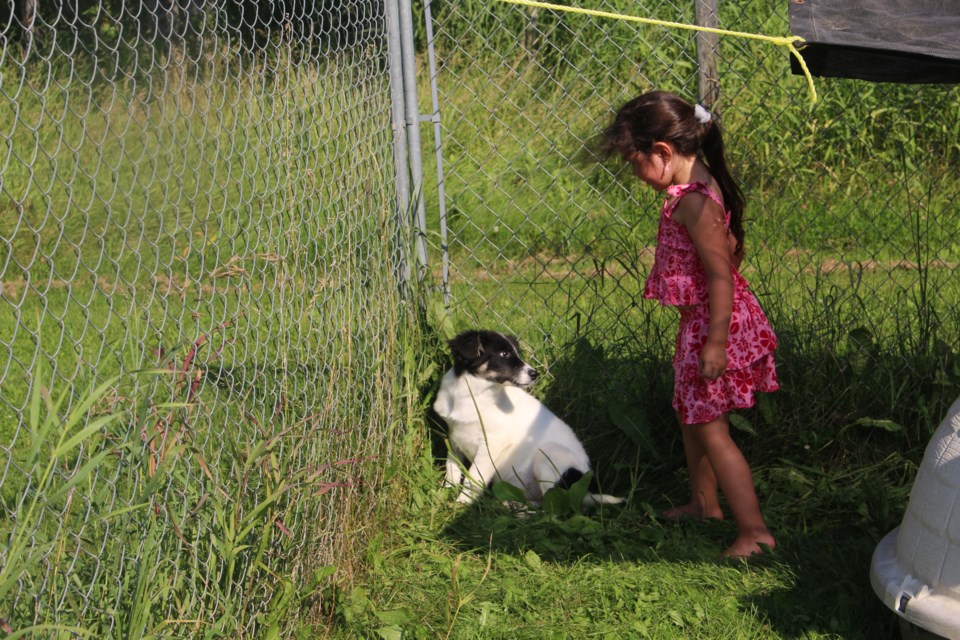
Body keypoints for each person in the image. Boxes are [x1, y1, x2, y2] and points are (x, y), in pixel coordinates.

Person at [596, 91, 778, 558]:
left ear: (662, 151)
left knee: (713, 430)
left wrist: (715, 341)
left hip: (713, 327)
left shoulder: (695, 202)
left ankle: (754, 532)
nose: (635, 175)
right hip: (701, 325)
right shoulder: (697, 188)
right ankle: (704, 504)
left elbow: (721, 274)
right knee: (691, 416)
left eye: (634, 162)